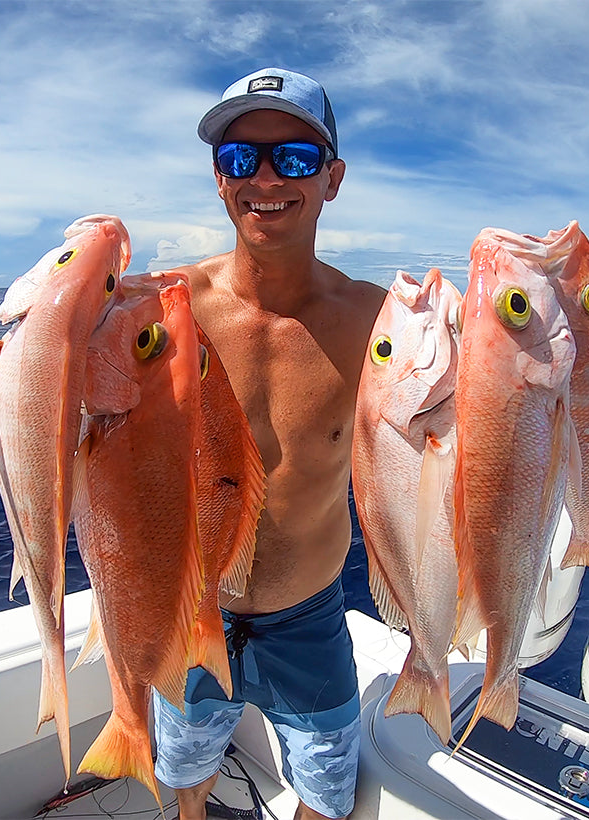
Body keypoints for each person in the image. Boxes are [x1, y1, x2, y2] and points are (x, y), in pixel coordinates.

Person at [152, 68, 387, 820]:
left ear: (332, 179)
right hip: (192, 606)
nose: (262, 179)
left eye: (292, 158)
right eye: (237, 158)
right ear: (218, 180)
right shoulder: (163, 310)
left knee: (327, 792)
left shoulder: (378, 323)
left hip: (310, 616)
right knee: (183, 770)